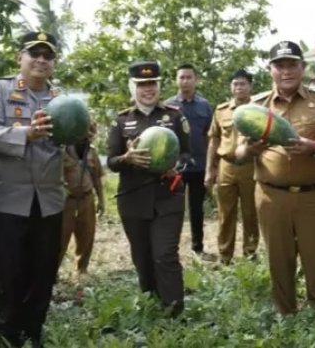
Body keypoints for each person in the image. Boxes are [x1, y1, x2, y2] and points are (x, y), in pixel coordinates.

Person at [235, 41, 315, 314]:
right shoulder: (256, 105)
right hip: (271, 196)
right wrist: (250, 148)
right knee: (278, 258)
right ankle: (285, 314)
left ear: (303, 67)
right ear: (270, 69)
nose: (286, 71)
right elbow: (238, 152)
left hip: (314, 196)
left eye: (292, 65)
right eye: (280, 65)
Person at [0, 31, 65, 347]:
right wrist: (27, 134)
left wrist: (82, 135)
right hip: (7, 200)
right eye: (34, 53)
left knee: (43, 271)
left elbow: (71, 146)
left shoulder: (60, 98)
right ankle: (9, 333)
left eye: (47, 55)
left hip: (50, 200)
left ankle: (34, 332)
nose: (41, 60)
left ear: (53, 63)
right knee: (9, 273)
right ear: (20, 58)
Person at [107, 61, 190, 316]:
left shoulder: (175, 116)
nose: (148, 89)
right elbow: (111, 161)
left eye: (152, 83)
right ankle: (152, 303)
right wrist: (127, 159)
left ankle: (174, 310)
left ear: (159, 85)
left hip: (168, 196)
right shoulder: (122, 121)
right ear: (132, 87)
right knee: (142, 257)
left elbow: (188, 155)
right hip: (133, 199)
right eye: (141, 84)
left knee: (165, 254)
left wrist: (176, 165)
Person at [204, 69, 259, 264]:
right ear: (231, 87)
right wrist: (209, 169)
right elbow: (214, 140)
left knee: (251, 213)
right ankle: (225, 255)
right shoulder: (221, 110)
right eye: (235, 84)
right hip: (226, 167)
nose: (239, 87)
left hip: (250, 167)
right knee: (225, 214)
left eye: (243, 83)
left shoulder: (258, 108)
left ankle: (250, 254)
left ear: (250, 86)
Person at [165, 64, 212, 256]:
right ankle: (170, 247)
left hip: (199, 165)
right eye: (181, 77)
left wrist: (212, 165)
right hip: (176, 167)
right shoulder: (168, 106)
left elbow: (210, 136)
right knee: (173, 208)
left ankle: (197, 247)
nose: (185, 81)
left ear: (196, 80)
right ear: (176, 80)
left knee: (196, 209)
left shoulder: (204, 105)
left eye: (189, 77)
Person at [59, 122, 104, 276]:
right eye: (86, 131)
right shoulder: (62, 151)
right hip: (67, 201)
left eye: (92, 132)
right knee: (61, 237)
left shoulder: (92, 153)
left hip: (87, 199)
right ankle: (53, 271)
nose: (89, 135)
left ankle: (81, 269)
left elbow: (97, 178)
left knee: (87, 235)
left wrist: (101, 200)